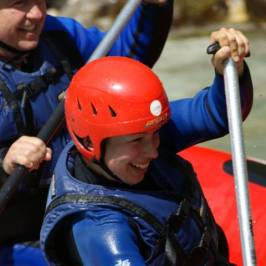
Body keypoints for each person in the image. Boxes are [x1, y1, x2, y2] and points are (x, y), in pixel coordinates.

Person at [40, 27, 253, 265]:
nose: (152, 150)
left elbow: (217, 115)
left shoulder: (137, 130)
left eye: (154, 134)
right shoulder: (101, 229)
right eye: (137, 141)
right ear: (89, 142)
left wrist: (229, 71)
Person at [0, 0, 173, 247]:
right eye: (20, 4)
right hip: (24, 234)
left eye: (40, 0)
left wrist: (153, 8)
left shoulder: (59, 34)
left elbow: (127, 64)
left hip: (90, 201)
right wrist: (4, 164)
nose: (37, 13)